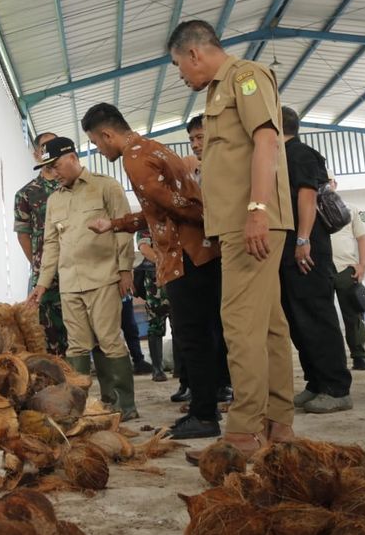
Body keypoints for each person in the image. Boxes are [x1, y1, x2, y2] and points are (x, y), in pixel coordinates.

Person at [167, 20, 295, 457]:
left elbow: (266, 141)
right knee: (269, 325)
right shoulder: (216, 92)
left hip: (252, 222)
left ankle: (242, 432)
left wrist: (258, 211)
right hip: (240, 225)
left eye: (178, 64)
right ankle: (279, 423)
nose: (181, 74)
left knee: (238, 325)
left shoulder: (244, 77)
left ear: (194, 54)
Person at [83, 102, 224, 440]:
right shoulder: (152, 148)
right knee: (204, 335)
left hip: (185, 255)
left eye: (97, 144)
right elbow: (158, 212)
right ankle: (204, 407)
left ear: (106, 134)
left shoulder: (134, 158)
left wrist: (213, 220)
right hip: (197, 252)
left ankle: (204, 415)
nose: (100, 151)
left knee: (193, 338)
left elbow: (177, 207)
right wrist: (115, 224)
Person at [26, 136, 139, 420]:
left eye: (56, 165)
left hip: (102, 277)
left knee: (109, 340)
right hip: (69, 282)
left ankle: (124, 404)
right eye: (48, 167)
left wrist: (125, 270)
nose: (53, 172)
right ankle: (82, 404)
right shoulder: (54, 200)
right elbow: (51, 245)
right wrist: (41, 284)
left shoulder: (106, 187)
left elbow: (125, 230)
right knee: (76, 345)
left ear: (73, 158)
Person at [279, 106, 353, 413]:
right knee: (298, 321)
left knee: (317, 317)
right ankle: (316, 382)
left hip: (306, 252)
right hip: (288, 254)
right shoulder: (277, 156)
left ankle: (337, 388)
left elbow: (307, 198)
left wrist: (303, 240)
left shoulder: (300, 154)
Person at [14, 132, 68, 356]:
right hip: (45, 275)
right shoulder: (26, 194)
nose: (49, 150)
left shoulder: (71, 185)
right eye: (44, 147)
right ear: (37, 154)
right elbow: (23, 234)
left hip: (76, 268)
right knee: (48, 334)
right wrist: (40, 266)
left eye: (53, 145)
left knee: (79, 330)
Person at [329, 178, 365, 370]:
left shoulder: (352, 208)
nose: (326, 185)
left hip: (346, 269)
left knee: (353, 315)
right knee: (324, 317)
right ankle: (331, 360)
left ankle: (359, 356)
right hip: (319, 269)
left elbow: (363, 238)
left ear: (335, 183)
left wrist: (362, 265)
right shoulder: (308, 208)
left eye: (329, 181)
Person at [136, 229, 172, 382]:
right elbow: (144, 248)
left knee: (181, 324)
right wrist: (163, 263)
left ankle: (182, 370)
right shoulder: (146, 222)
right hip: (155, 277)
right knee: (155, 323)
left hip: (177, 274)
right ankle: (157, 369)